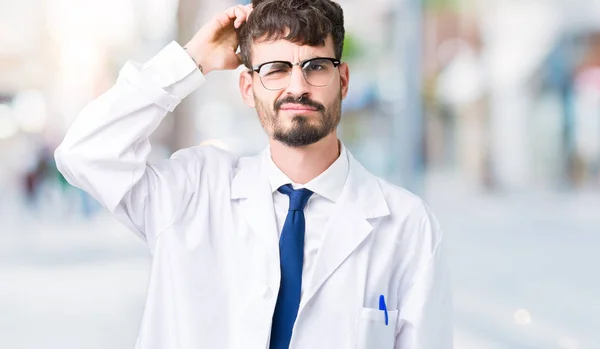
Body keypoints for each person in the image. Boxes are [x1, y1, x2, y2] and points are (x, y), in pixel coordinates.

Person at [54, 0, 453, 348]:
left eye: (315, 66)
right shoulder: (192, 191)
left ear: (343, 80)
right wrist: (194, 58)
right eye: (275, 69)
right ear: (247, 87)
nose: (297, 87)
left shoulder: (407, 225)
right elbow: (84, 153)